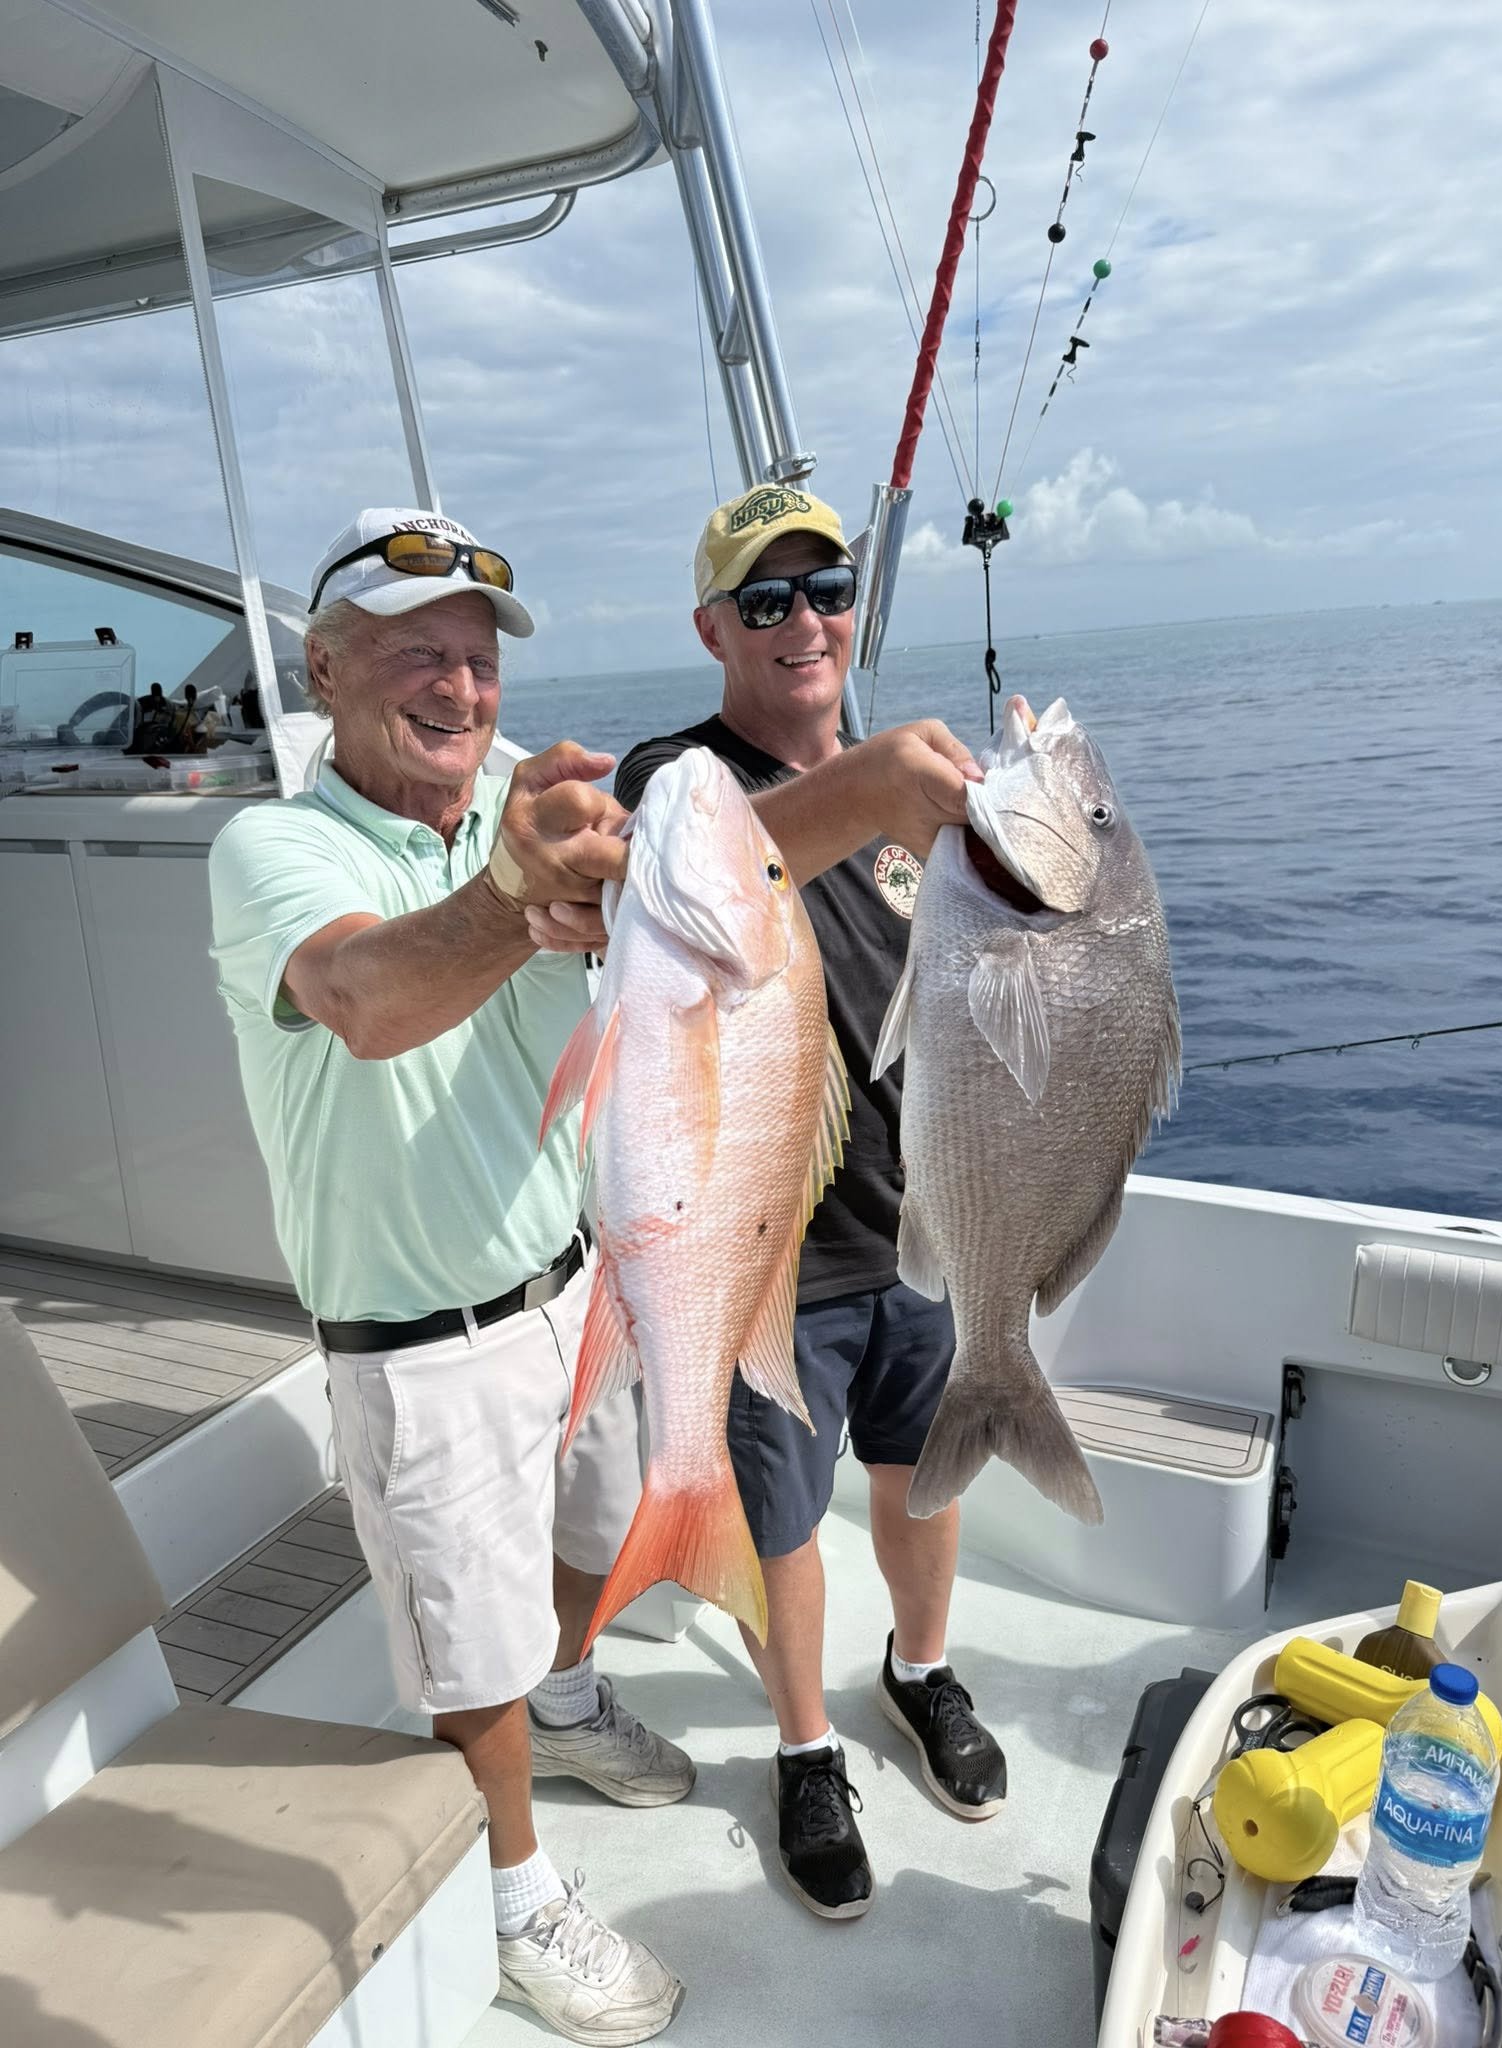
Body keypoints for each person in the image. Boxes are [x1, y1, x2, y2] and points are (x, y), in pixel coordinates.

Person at [208, 506, 981, 2036]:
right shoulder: (270, 851)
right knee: (465, 1641)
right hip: (419, 1339)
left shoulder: (518, 792)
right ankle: (516, 1894)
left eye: (480, 660)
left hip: (590, 1281)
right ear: (326, 667)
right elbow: (366, 994)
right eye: (418, 654)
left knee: (605, 1521)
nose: (461, 688)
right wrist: (511, 900)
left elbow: (712, 878)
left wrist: (814, 812)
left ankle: (567, 1694)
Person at [616, 486, 1007, 1925]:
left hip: (926, 1229)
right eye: (765, 601)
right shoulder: (678, 780)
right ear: (711, 627)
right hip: (770, 1257)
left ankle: (917, 1672)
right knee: (784, 1523)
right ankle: (803, 1752)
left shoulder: (915, 809)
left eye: (826, 589)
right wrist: (876, 790)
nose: (803, 623)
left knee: (924, 1480)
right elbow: (688, 872)